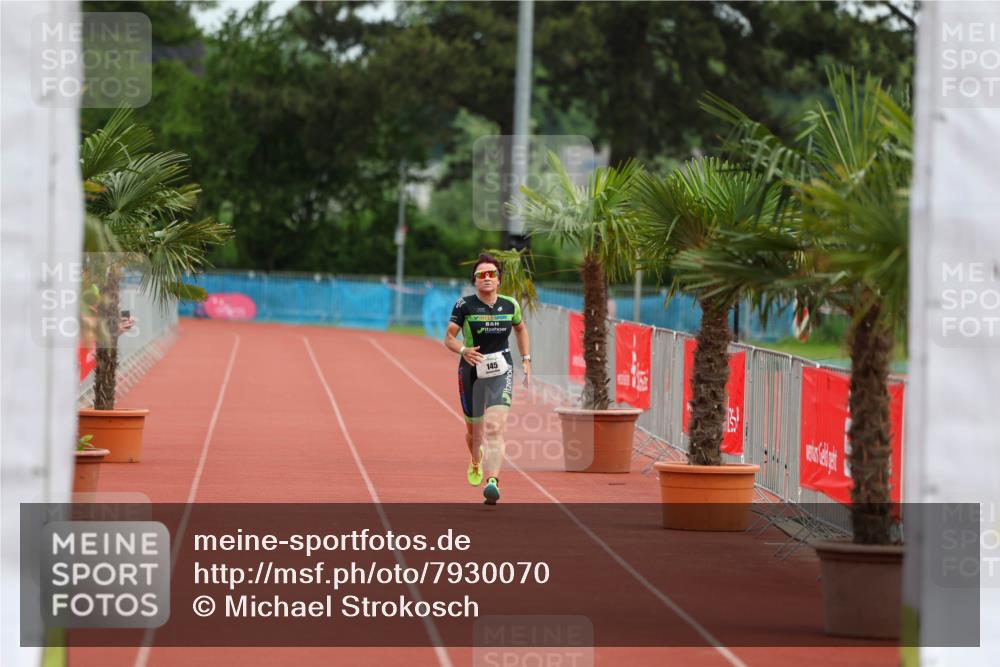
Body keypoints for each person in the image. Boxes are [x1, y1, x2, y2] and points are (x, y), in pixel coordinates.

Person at [444, 253, 531, 504]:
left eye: (491, 274)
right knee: (474, 433)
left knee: (494, 427)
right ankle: (475, 459)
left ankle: (493, 482)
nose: (487, 278)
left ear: (499, 279)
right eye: (481, 275)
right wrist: (463, 350)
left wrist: (526, 358)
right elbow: (449, 337)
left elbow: (521, 329)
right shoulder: (464, 305)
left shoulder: (510, 305)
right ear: (475, 280)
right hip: (471, 371)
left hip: (501, 370)